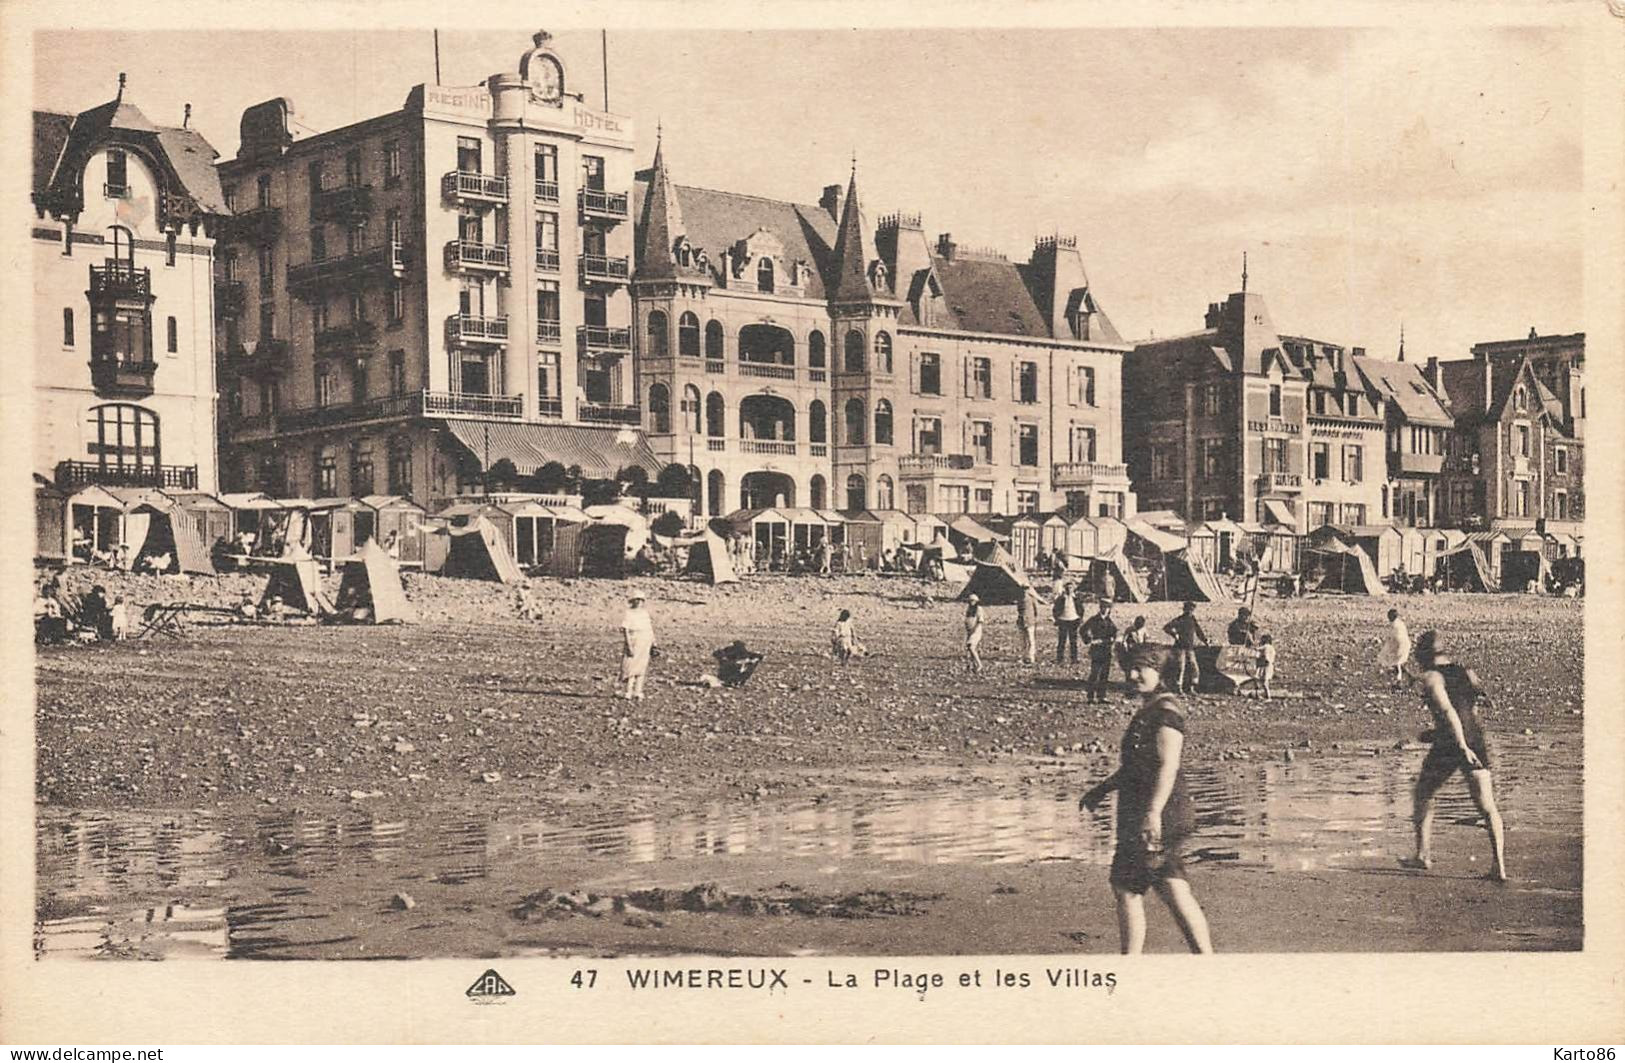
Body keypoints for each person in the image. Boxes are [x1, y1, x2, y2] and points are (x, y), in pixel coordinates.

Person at [1079, 643, 1214, 954]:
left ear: (1161, 672)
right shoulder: (1152, 709)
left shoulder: (1167, 714)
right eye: (1130, 667)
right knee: (1167, 883)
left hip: (1158, 811)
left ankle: (1132, 964)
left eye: (1141, 669)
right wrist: (1102, 789)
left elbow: (1168, 766)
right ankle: (1205, 960)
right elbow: (1137, 766)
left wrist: (1152, 813)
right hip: (1152, 810)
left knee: (1128, 886)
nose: (1132, 674)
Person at [1403, 630, 1508, 882]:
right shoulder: (1467, 672)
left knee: (1423, 793)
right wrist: (1463, 738)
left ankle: (1422, 855)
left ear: (1423, 656)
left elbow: (1449, 712)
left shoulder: (1431, 678)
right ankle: (1500, 867)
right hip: (1474, 739)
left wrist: (1459, 745)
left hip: (1452, 745)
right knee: (1487, 806)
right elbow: (1473, 705)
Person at [1162, 601, 1209, 694]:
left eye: (1192, 610)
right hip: (1180, 648)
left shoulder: (1192, 619)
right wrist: (1174, 634)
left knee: (1194, 667)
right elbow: (1167, 627)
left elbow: (1198, 631)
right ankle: (1178, 687)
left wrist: (1205, 641)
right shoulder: (1180, 619)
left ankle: (1192, 687)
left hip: (1190, 648)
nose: (1190, 611)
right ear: (1185, 609)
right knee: (1180, 668)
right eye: (1189, 609)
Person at [1080, 598, 1119, 703]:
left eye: (1107, 608)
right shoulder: (1094, 619)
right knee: (1094, 674)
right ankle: (1090, 697)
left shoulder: (1109, 620)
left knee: (1105, 674)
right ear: (1100, 607)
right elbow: (1082, 629)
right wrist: (1089, 640)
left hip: (1106, 650)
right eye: (1103, 607)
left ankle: (1102, 696)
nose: (1105, 609)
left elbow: (1114, 632)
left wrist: (1113, 638)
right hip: (1097, 650)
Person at [619, 594, 657, 701]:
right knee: (630, 667)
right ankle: (628, 691)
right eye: (637, 600)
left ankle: (638, 691)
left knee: (641, 667)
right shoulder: (629, 613)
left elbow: (649, 628)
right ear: (633, 601)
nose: (639, 602)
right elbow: (625, 629)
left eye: (641, 600)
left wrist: (653, 642)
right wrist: (628, 644)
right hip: (634, 640)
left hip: (645, 641)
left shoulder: (644, 613)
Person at [1378, 607, 1410, 684]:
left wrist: (1389, 647)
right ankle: (1407, 676)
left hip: (1398, 645)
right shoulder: (1400, 623)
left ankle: (1399, 680)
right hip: (1404, 645)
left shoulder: (1394, 626)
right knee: (1398, 661)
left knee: (1394, 661)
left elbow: (1394, 638)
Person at [1053, 581, 1081, 665]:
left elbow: (1081, 609)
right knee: (1062, 641)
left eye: (1071, 588)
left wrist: (1080, 618)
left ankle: (1074, 659)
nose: (1069, 590)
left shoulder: (1076, 598)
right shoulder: (1061, 598)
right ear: (1065, 589)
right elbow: (1055, 609)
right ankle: (1059, 659)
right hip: (1063, 620)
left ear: (1073, 589)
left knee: (1073, 641)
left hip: (1073, 620)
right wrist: (1057, 618)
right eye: (1068, 588)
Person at [1014, 584, 1040, 665]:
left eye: (1026, 589)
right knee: (1023, 640)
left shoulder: (1032, 599)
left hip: (1030, 621)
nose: (1024, 591)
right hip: (1022, 621)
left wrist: (1035, 619)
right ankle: (1024, 656)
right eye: (1023, 589)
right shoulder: (1020, 599)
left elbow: (1036, 611)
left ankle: (1031, 657)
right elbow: (1019, 611)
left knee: (1030, 640)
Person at [963, 593, 985, 675]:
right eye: (970, 601)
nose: (971, 602)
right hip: (970, 631)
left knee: (971, 647)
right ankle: (973, 665)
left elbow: (980, 621)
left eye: (972, 601)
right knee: (969, 649)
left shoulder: (979, 609)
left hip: (976, 631)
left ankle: (979, 664)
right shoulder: (969, 609)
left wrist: (974, 629)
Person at [1255, 635, 1276, 700]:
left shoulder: (1266, 647)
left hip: (1265, 666)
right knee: (1263, 681)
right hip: (1269, 666)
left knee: (1264, 682)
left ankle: (1268, 697)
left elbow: (1258, 649)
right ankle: (1263, 695)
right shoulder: (1272, 648)